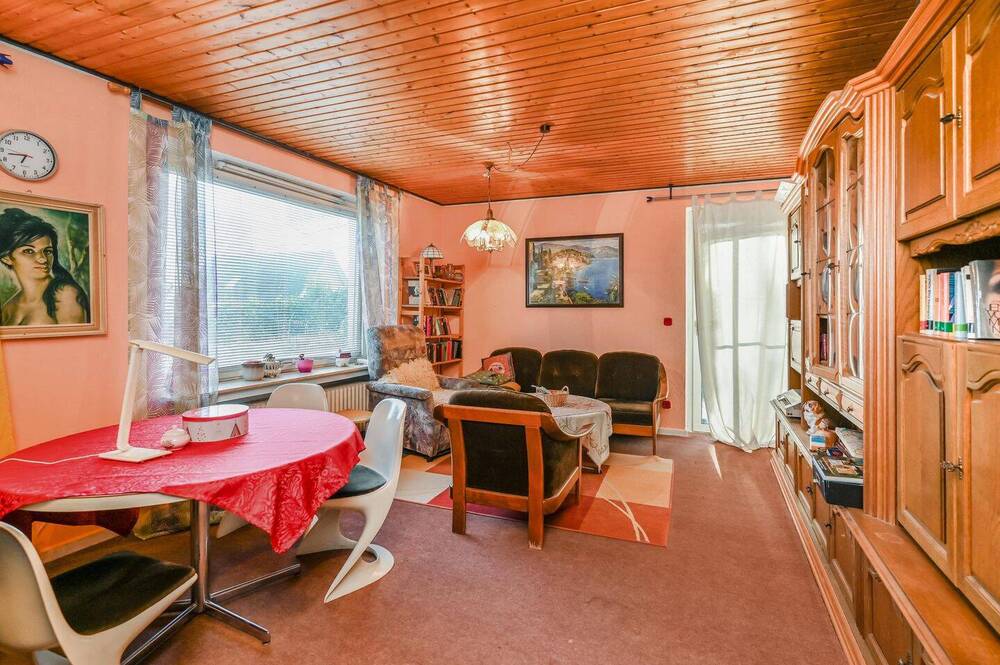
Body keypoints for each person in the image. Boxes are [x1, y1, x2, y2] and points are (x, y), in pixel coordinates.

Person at [0, 207, 89, 326]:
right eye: (29, 251)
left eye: (47, 251)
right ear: (6, 258)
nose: (43, 259)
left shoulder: (65, 295)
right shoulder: (7, 309)